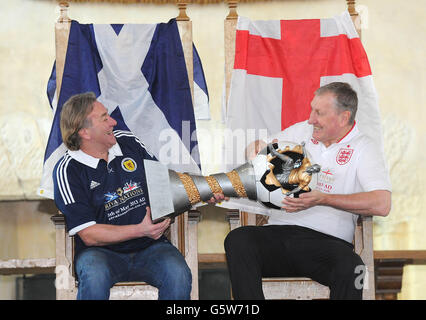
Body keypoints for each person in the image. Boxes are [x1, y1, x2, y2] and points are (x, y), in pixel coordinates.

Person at [224, 82, 392, 300]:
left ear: (343, 118)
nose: (311, 118)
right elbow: (259, 148)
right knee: (238, 240)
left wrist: (324, 199)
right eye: (312, 109)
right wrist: (254, 148)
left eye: (319, 113)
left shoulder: (364, 148)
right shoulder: (301, 131)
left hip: (327, 244)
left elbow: (382, 203)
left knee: (354, 269)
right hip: (279, 236)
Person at [53, 92, 224, 300]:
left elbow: (164, 183)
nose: (114, 122)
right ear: (85, 132)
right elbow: (89, 234)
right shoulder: (68, 170)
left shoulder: (127, 143)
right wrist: (140, 230)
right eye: (105, 118)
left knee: (178, 274)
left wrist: (204, 190)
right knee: (93, 275)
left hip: (150, 248)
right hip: (101, 254)